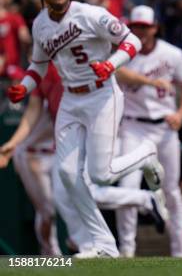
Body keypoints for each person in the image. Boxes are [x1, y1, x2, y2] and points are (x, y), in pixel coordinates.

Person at [6, 0, 164, 258]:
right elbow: (39, 65)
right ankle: (104, 245)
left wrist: (110, 65)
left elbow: (133, 41)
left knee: (101, 175)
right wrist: (25, 87)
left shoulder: (90, 14)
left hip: (102, 95)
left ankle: (146, 152)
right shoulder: (40, 23)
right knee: (67, 175)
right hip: (70, 99)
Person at [0, 62, 169, 256]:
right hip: (70, 138)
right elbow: (33, 111)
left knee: (95, 183)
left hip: (98, 129)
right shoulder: (42, 68)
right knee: (63, 194)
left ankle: (145, 193)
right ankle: (88, 245)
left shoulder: (76, 49)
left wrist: (148, 81)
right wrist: (13, 144)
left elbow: (117, 69)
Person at [115, 5, 182, 258]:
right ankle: (127, 249)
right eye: (135, 26)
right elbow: (118, 72)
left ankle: (179, 251)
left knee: (171, 189)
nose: (140, 31)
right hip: (133, 126)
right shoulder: (124, 53)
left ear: (154, 27)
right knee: (127, 187)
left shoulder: (172, 53)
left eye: (144, 26)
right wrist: (150, 81)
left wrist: (181, 113)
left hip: (164, 127)